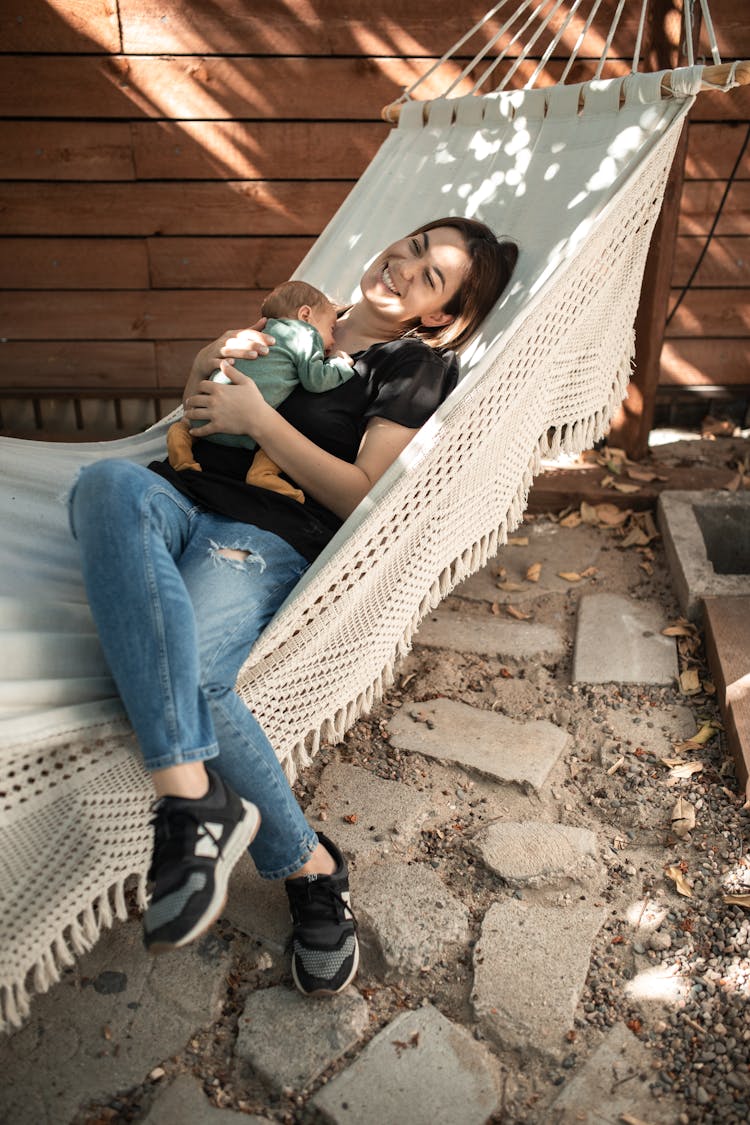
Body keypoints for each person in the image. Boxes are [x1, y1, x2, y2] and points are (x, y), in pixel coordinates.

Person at [67, 217, 518, 997]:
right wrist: (211, 365)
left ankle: (305, 863)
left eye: (432, 276)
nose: (405, 267)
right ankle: (198, 802)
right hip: (172, 493)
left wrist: (261, 422)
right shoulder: (298, 314)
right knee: (103, 482)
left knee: (196, 673)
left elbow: (362, 495)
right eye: (412, 246)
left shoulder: (410, 364)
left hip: (260, 534)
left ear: (438, 315)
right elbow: (196, 411)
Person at [166, 279, 354, 503]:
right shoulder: (305, 335)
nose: (332, 341)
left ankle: (181, 451)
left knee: (185, 426)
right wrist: (340, 366)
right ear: (305, 315)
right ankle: (261, 474)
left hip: (205, 416)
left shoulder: (262, 333)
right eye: (331, 329)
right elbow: (315, 380)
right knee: (279, 443)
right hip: (241, 428)